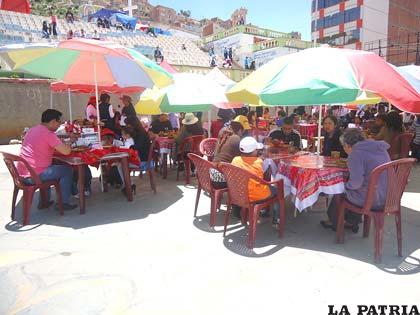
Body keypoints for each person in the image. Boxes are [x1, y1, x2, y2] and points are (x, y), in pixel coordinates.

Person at [321, 129, 390, 232]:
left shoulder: (356, 154)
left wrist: (346, 186)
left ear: (348, 145)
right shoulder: (379, 148)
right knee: (357, 189)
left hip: (371, 199)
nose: (344, 149)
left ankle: (334, 221)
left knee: (340, 191)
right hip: (387, 197)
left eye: (343, 146)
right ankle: (352, 221)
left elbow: (356, 183)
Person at [18, 109, 77, 210]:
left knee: (51, 166)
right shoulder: (48, 134)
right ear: (53, 121)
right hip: (34, 175)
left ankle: (44, 202)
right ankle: (63, 203)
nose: (60, 125)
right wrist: (70, 142)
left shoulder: (33, 129)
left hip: (23, 173)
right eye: (59, 122)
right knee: (67, 170)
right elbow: (66, 151)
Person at [232, 137, 280, 225]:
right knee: (278, 191)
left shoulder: (235, 159)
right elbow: (266, 178)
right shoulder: (258, 162)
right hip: (255, 196)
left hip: (239, 193)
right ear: (254, 151)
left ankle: (264, 212)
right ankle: (276, 219)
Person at [210, 121, 244, 189]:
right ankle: (239, 197)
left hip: (212, 175)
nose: (242, 134)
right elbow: (242, 159)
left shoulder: (223, 137)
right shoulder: (236, 138)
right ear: (240, 130)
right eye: (242, 132)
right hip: (221, 180)